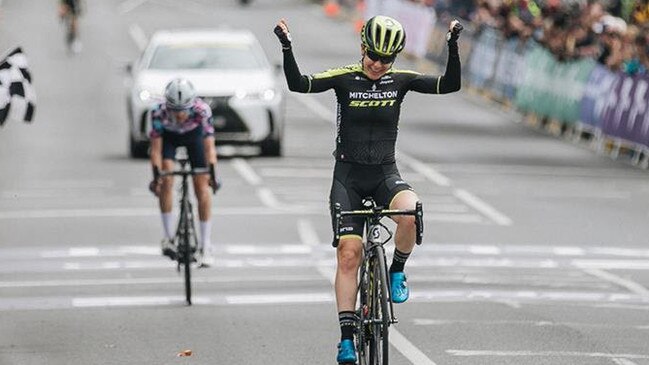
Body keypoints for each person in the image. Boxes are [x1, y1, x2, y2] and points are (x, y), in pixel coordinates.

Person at [274, 15, 462, 364]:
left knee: (411, 213)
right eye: (373, 55)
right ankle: (346, 337)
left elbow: (449, 85)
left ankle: (397, 271)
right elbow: (299, 84)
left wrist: (451, 45)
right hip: (349, 179)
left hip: (385, 174)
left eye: (386, 59)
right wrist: (287, 46)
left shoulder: (401, 81)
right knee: (349, 254)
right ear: (362, 48)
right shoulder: (344, 78)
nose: (377, 64)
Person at [148, 78, 219, 268]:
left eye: (183, 111)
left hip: (194, 137)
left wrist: (212, 173)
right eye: (174, 110)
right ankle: (168, 237)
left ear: (192, 105)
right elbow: (155, 150)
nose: (179, 115)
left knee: (202, 187)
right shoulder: (158, 112)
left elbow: (210, 147)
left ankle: (205, 246)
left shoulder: (201, 111)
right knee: (167, 178)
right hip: (169, 139)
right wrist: (157, 178)